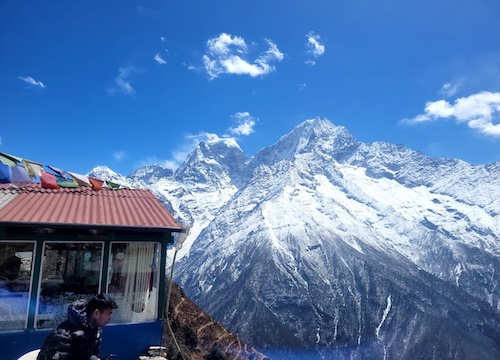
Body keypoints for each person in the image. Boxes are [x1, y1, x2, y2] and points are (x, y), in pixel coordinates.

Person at [37, 293, 118, 360]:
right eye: (108, 314)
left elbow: (88, 355)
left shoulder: (95, 331)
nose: (110, 318)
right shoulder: (63, 335)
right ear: (96, 313)